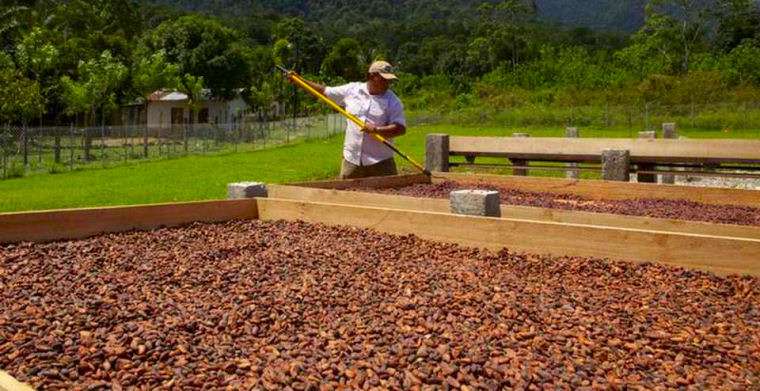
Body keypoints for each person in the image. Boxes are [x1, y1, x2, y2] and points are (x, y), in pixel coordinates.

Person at [287, 61, 406, 179]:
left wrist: (376, 129)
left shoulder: (393, 101)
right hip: (352, 160)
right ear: (371, 76)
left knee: (387, 196)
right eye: (384, 79)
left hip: (381, 162)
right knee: (345, 195)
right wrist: (300, 81)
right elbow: (324, 91)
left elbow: (400, 128)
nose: (387, 83)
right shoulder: (352, 90)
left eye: (389, 80)